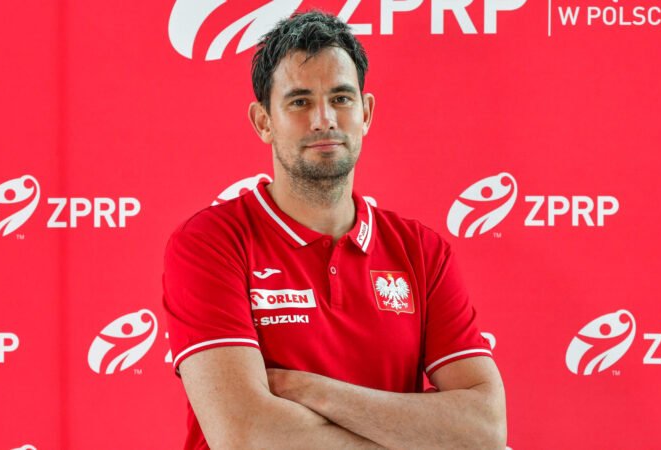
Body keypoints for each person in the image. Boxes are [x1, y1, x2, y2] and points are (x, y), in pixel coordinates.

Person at [163, 10, 506, 450]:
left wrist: (312, 390)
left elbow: (484, 428)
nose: (323, 119)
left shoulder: (422, 251)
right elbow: (246, 435)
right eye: (299, 102)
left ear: (366, 113)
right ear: (263, 121)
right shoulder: (210, 243)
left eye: (341, 98)